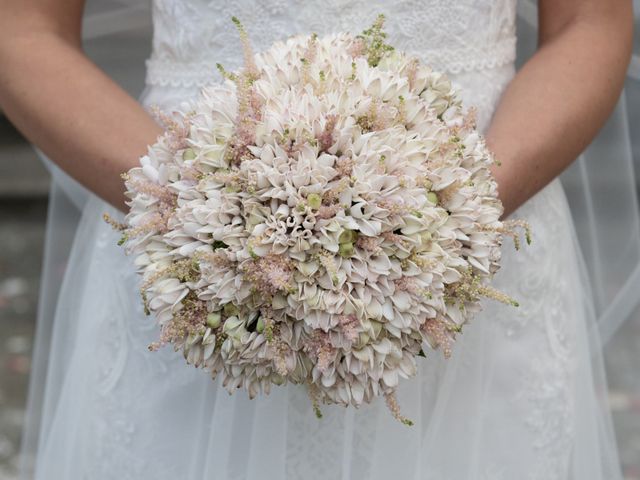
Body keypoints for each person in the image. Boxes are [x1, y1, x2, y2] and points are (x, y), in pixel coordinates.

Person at [0, 1, 633, 478]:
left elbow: (591, 24)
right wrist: (201, 208)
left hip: (477, 227)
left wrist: (451, 210)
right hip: (194, 251)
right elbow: (23, 30)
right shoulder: (197, 213)